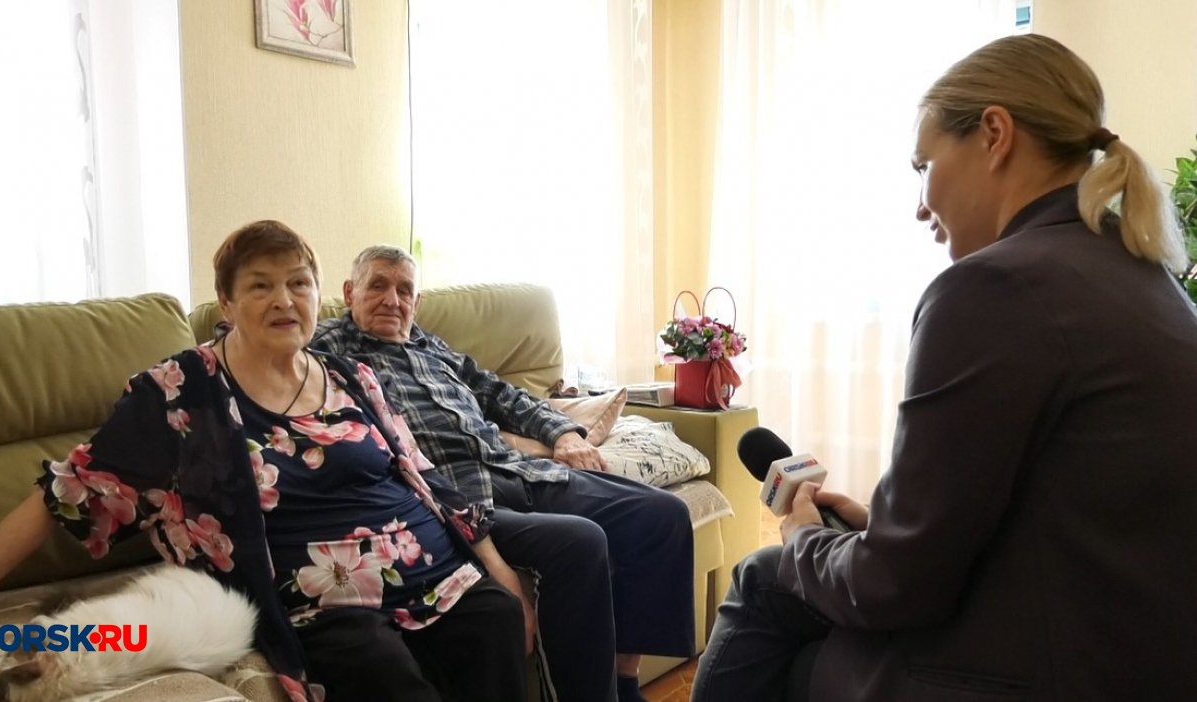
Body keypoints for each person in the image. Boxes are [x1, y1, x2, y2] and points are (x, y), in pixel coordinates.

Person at [692, 33, 1197, 702]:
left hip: (1035, 670)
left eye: (923, 165)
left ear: (994, 135)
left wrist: (805, 536)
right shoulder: (1152, 282)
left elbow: (890, 587)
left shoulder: (996, 289)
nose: (921, 205)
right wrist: (880, 528)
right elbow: (1070, 517)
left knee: (767, 577)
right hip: (1126, 654)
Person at [0, 221, 527, 702]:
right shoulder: (181, 391)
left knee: (495, 616)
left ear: (319, 294)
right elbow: (66, 493)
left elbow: (423, 476)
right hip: (322, 605)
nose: (283, 300)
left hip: (436, 574)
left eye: (298, 283)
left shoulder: (352, 375)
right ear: (226, 302)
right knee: (378, 667)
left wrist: (496, 569)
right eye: (260, 286)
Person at [311, 245, 695, 702]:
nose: (392, 300)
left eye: (404, 290)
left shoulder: (432, 347)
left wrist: (562, 434)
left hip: (517, 468)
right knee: (582, 541)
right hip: (455, 494)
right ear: (349, 293)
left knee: (662, 515)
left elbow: (502, 394)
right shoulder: (328, 346)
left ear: (417, 302)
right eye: (378, 286)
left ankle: (626, 682)